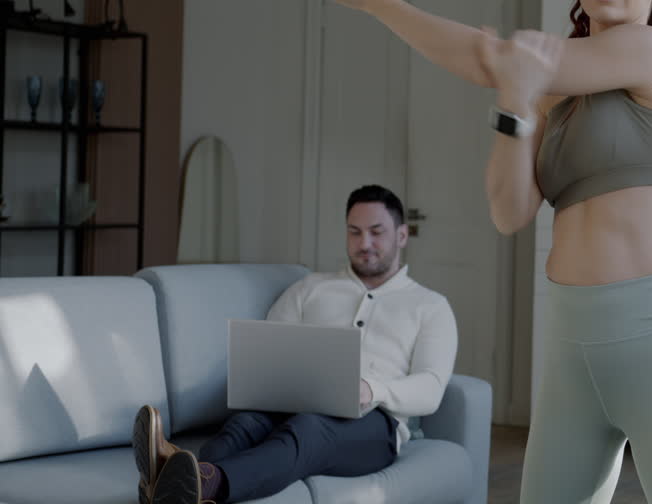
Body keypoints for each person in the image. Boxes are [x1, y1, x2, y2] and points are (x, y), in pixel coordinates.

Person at [315, 0, 652, 503]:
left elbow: (490, 56)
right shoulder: (551, 79)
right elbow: (510, 212)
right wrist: (516, 101)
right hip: (570, 347)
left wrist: (377, 0)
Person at [132, 185, 458, 504]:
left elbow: (431, 387)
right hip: (289, 406)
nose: (365, 243)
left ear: (401, 235)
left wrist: (373, 390)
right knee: (243, 425)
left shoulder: (429, 306)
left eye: (376, 232)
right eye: (354, 232)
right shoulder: (309, 288)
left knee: (308, 429)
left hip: (375, 425)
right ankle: (179, 487)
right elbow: (268, 354)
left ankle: (197, 481)